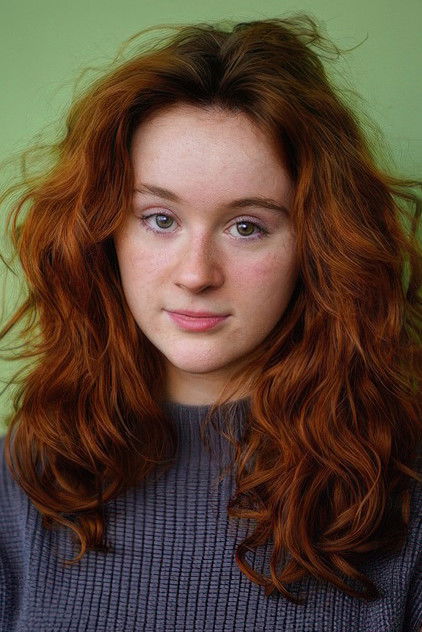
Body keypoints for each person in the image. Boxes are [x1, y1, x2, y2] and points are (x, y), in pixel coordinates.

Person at [0, 13, 421, 632]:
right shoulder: (25, 477)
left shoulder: (403, 491)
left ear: (318, 246)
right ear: (103, 232)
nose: (196, 274)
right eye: (160, 219)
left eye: (247, 226)